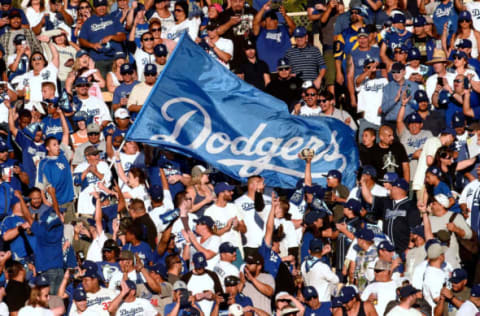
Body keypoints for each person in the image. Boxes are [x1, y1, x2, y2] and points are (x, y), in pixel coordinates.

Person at [78, 0, 126, 77]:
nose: (101, 8)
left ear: (106, 6)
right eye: (98, 6)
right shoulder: (88, 22)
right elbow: (81, 40)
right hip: (98, 59)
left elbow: (123, 36)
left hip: (115, 58)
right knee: (102, 85)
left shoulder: (114, 19)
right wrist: (92, 45)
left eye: (103, 5)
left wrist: (112, 37)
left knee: (116, 83)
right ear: (94, 8)